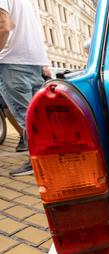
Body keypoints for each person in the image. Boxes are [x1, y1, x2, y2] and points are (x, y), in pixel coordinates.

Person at [0, 0, 50, 176]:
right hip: (33, 61)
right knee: (39, 116)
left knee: (26, 117)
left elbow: (3, 27)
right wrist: (44, 63)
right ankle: (49, 157)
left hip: (12, 61)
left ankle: (37, 162)